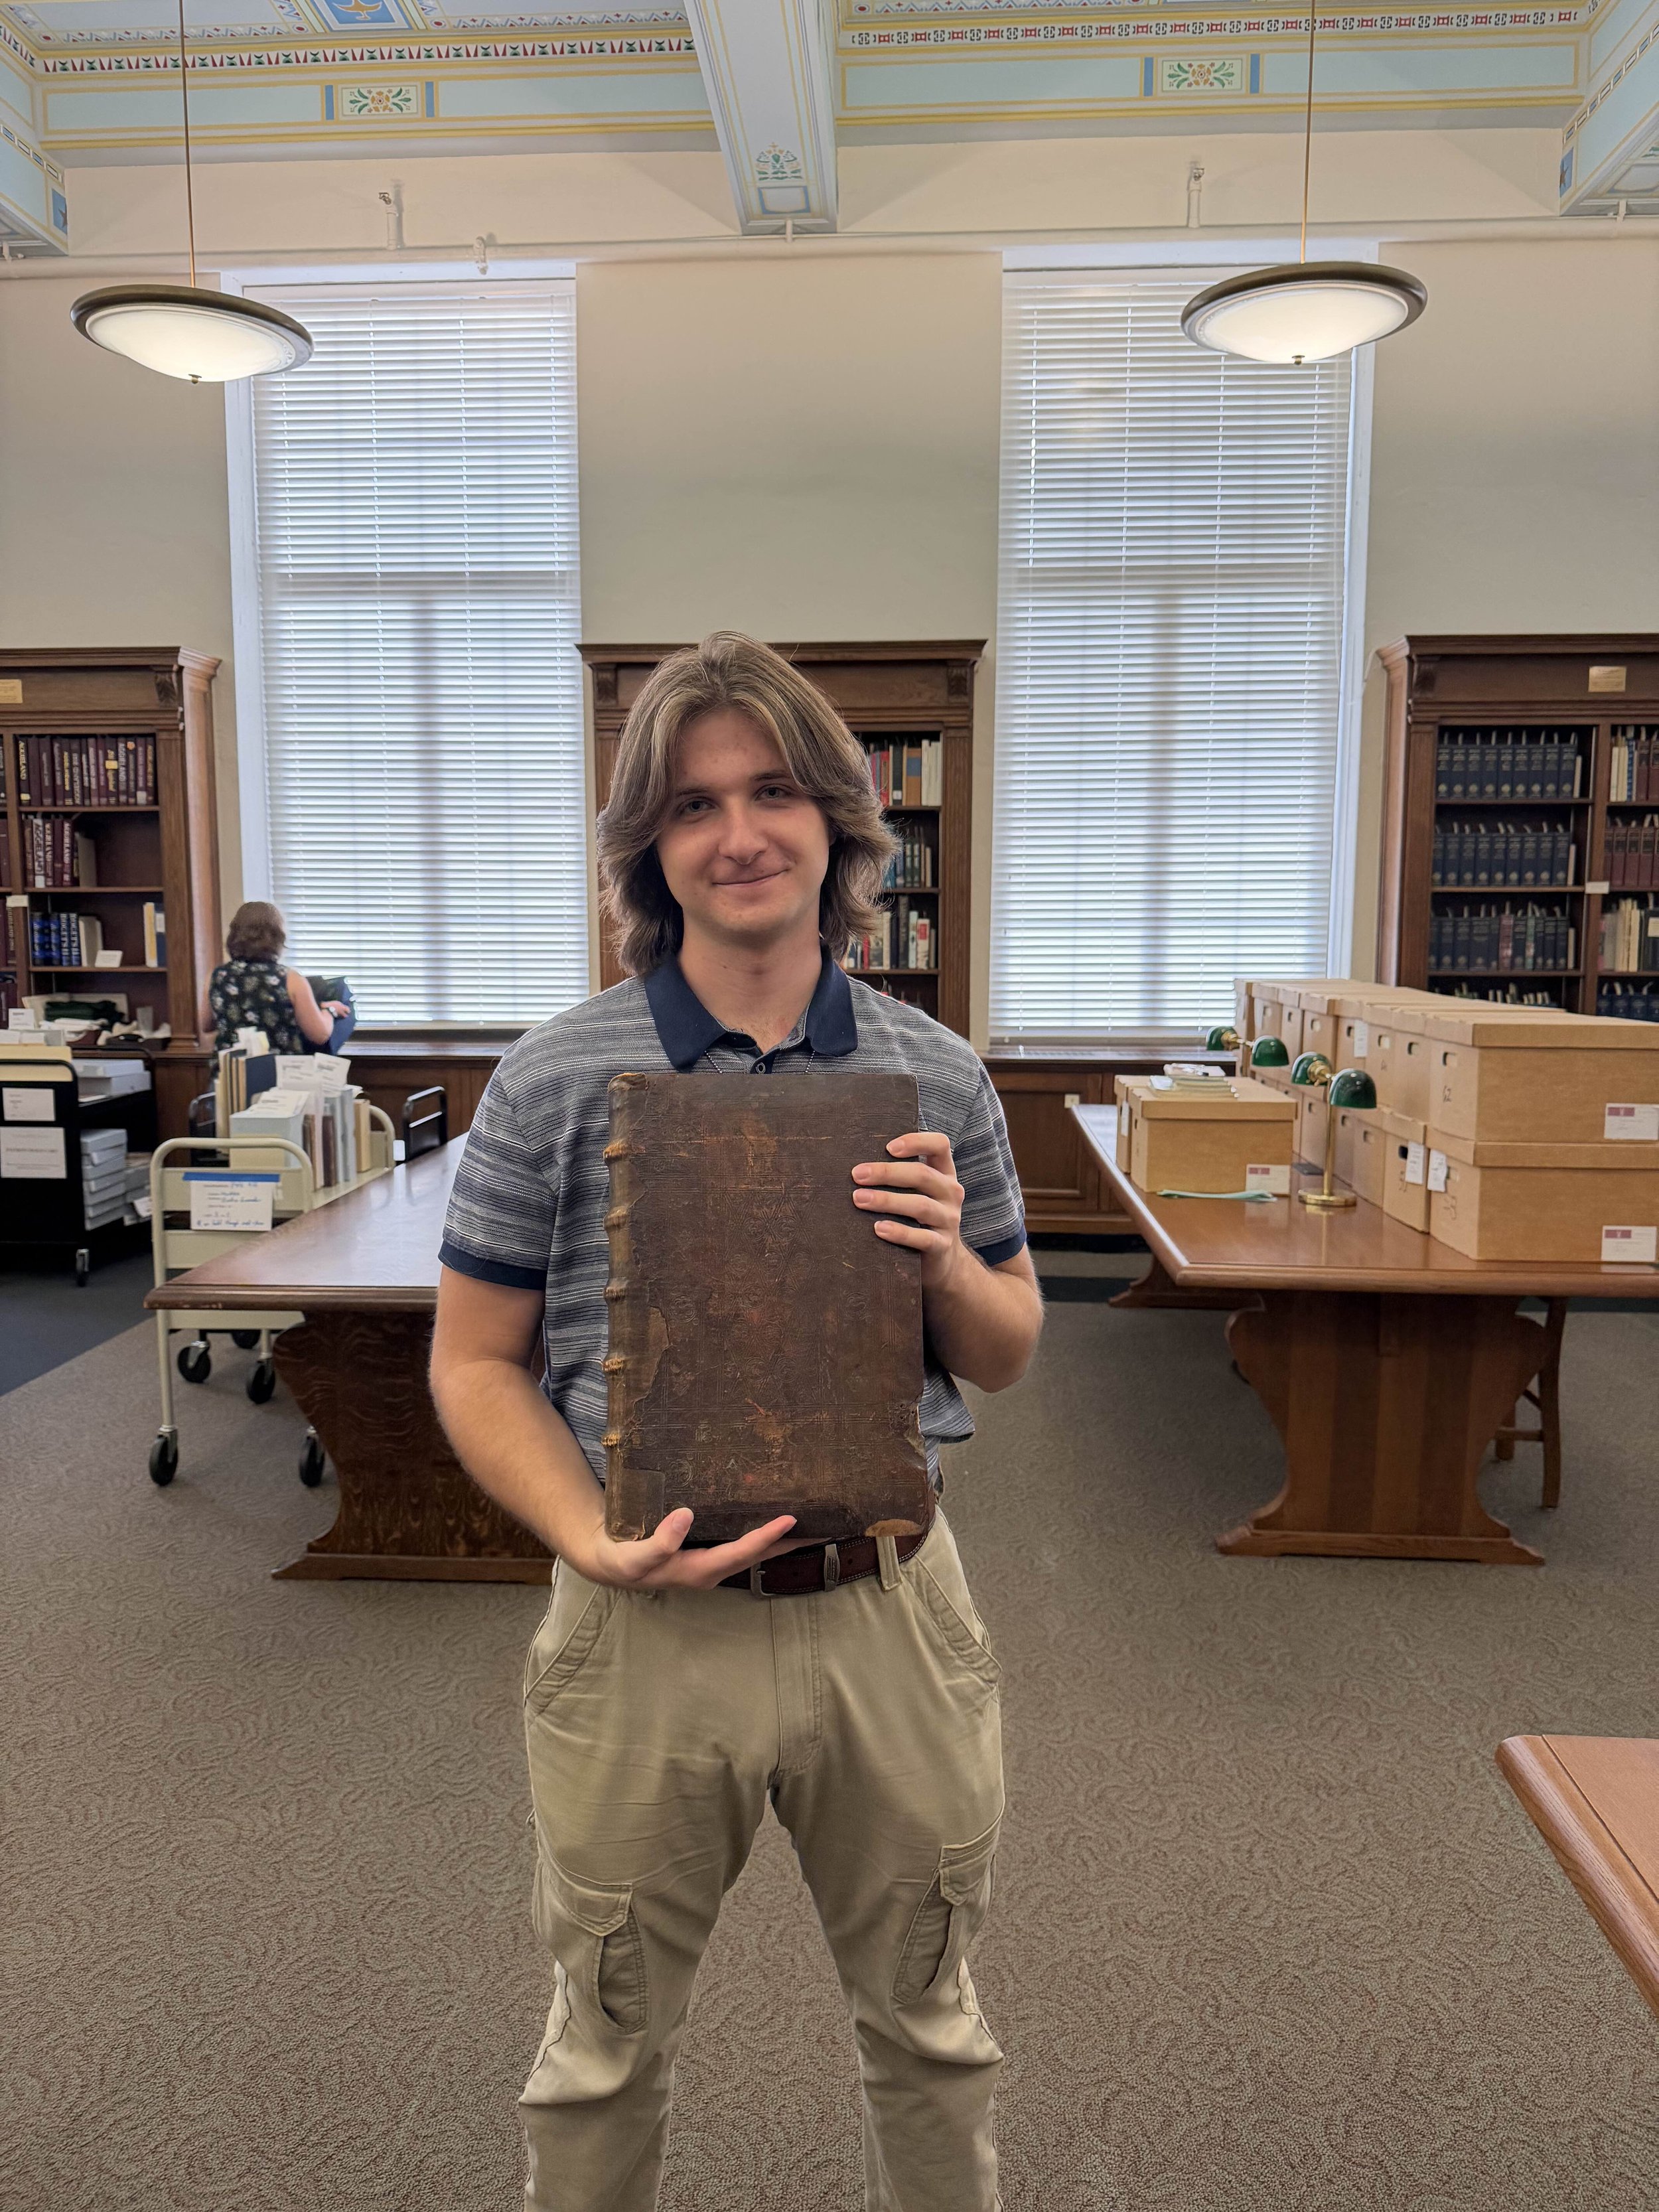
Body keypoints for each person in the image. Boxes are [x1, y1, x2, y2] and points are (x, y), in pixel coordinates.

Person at [429, 631, 1043, 2212]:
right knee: (603, 2040)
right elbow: (475, 1360)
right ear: (651, 850)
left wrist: (944, 1256)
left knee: (931, 2026)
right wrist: (588, 1538)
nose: (739, 832)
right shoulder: (553, 1078)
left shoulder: (936, 1073)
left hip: (890, 1612)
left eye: (772, 790)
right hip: (641, 1628)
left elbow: (1014, 1343)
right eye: (693, 806)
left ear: (841, 820)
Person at [205, 902, 353, 1055]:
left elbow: (206, 1024)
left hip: (232, 1074)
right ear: (277, 936)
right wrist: (330, 1010)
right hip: (277, 1073)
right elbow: (319, 1035)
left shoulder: (218, 976)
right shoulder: (290, 979)